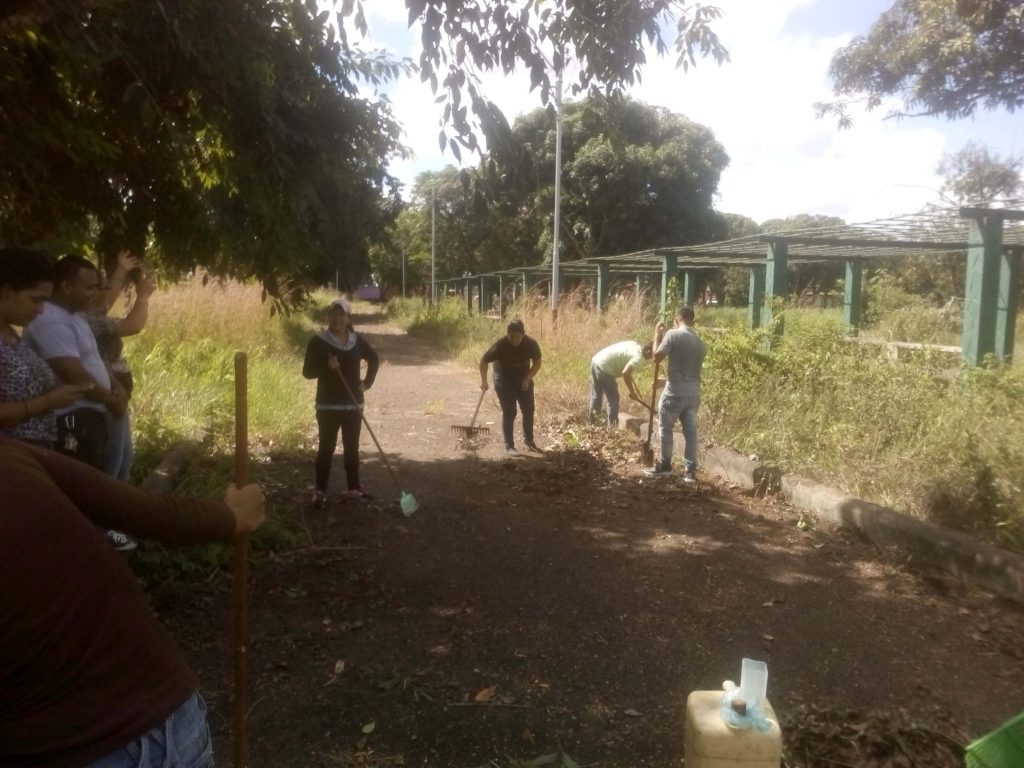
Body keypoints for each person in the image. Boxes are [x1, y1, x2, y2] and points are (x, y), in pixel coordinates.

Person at [0, 437, 264, 768]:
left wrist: (229, 518)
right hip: (172, 722)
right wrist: (232, 516)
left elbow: (143, 511)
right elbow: (146, 511)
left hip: (70, 747)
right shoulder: (11, 455)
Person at [23, 254, 128, 468]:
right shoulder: (50, 320)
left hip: (96, 409)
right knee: (89, 478)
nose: (95, 294)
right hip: (74, 415)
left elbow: (94, 359)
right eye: (89, 288)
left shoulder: (75, 316)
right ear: (67, 286)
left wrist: (117, 387)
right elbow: (72, 374)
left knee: (114, 473)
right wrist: (110, 399)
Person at [0, 247, 92, 447]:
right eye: (35, 300)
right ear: (6, 292)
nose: (41, 310)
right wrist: (48, 402)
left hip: (35, 451)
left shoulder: (10, 335)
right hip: (11, 456)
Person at [85, 251, 157, 481]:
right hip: (108, 394)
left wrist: (121, 270)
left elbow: (107, 299)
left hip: (114, 391)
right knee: (116, 460)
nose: (109, 292)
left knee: (122, 456)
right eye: (100, 287)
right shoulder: (90, 320)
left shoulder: (90, 313)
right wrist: (143, 297)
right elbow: (133, 326)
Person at [302, 298, 379, 505]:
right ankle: (320, 491)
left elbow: (373, 358)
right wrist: (326, 367)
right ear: (328, 317)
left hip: (353, 404)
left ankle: (354, 488)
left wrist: (367, 383)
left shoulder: (356, 340)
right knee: (326, 448)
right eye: (333, 314)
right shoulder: (319, 341)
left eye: (341, 314)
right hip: (328, 405)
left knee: (352, 448)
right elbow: (307, 372)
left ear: (348, 318)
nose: (337, 318)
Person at [644, 305, 706, 483]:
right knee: (691, 433)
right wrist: (664, 380)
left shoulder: (672, 334)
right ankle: (690, 472)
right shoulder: (700, 343)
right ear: (692, 320)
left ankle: (665, 466)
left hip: (673, 393)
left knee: (665, 428)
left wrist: (657, 335)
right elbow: (688, 371)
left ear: (677, 319)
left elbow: (656, 357)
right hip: (693, 394)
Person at [480, 319, 542, 453]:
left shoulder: (531, 344)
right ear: (507, 334)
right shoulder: (500, 345)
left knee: (528, 410)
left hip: (523, 376)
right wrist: (484, 381)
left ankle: (529, 441)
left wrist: (528, 378)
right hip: (503, 378)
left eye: (517, 337)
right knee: (510, 411)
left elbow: (537, 362)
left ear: (523, 334)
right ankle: (509, 445)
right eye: (511, 336)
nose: (514, 340)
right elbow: (484, 361)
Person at [590, 339, 654, 427]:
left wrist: (634, 388)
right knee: (613, 399)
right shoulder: (639, 358)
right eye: (652, 356)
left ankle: (593, 424)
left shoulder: (634, 344)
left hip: (596, 361)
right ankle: (612, 428)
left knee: (596, 395)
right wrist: (632, 391)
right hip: (605, 368)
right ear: (648, 351)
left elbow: (625, 362)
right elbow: (625, 373)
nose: (651, 358)